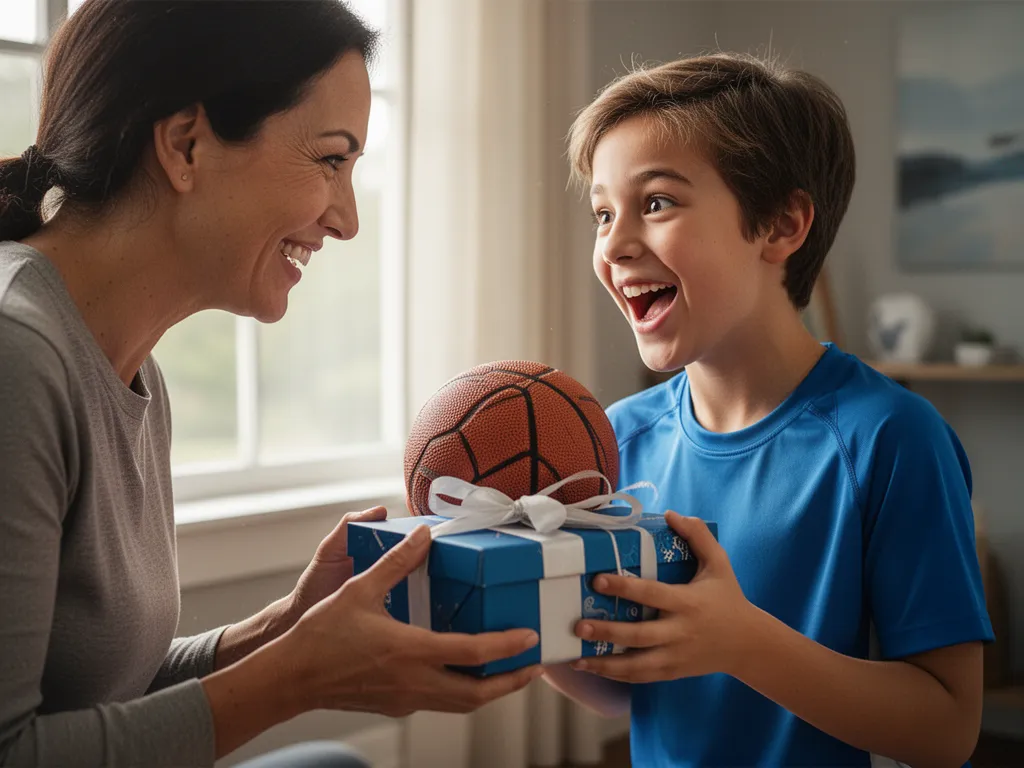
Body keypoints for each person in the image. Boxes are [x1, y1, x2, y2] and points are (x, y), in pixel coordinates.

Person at [0, 2, 542, 767]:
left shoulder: (128, 367)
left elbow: (99, 696)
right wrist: (295, 677)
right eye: (330, 160)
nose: (348, 220)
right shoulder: (17, 355)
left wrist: (284, 629)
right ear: (186, 144)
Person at [543, 53, 994, 767]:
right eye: (603, 212)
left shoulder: (890, 439)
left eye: (656, 202)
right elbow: (636, 691)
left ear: (781, 225)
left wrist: (743, 641)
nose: (615, 245)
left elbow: (945, 730)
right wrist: (539, 633)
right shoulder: (612, 439)